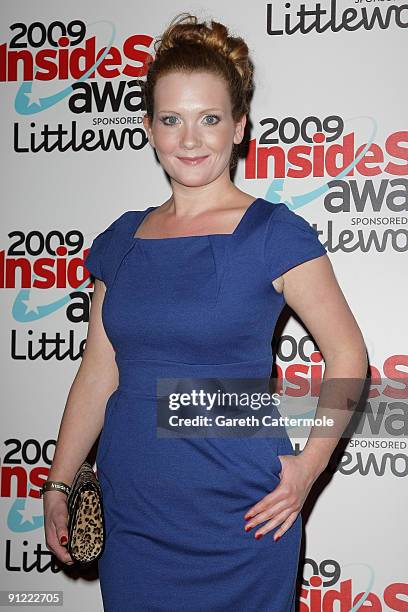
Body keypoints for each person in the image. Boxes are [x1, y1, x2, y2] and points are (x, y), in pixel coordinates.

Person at [42, 13, 368, 611]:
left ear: (239, 127)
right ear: (149, 128)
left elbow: (349, 355)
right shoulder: (122, 240)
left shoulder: (274, 234)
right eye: (172, 119)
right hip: (133, 511)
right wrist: (59, 480)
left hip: (242, 512)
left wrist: (307, 468)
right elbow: (98, 367)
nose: (190, 139)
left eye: (209, 119)